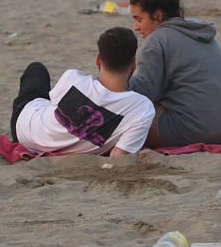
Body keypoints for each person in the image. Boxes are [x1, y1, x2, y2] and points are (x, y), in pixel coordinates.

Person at [127, 0, 221, 147]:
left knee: (127, 115)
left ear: (158, 15)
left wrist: (118, 81)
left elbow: (145, 92)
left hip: (199, 130)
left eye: (139, 19)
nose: (136, 27)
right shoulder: (199, 31)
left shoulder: (156, 41)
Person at [10, 27, 155, 157]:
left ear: (98, 60)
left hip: (24, 129)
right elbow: (119, 155)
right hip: (35, 134)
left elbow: (54, 105)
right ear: (133, 64)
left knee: (36, 69)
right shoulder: (142, 108)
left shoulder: (73, 78)